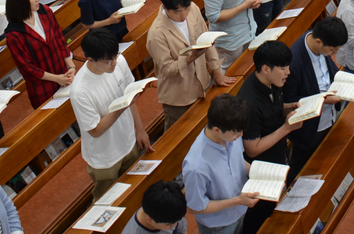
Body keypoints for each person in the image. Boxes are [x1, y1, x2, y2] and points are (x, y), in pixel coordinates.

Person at [70, 29, 154, 199]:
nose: (114, 63)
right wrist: (121, 107)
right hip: (105, 158)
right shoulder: (80, 91)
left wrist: (140, 130)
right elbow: (95, 130)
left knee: (133, 189)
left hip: (128, 141)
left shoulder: (118, 60)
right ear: (91, 60)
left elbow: (130, 95)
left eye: (116, 56)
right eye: (108, 61)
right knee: (107, 199)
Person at [237, 41, 302, 234]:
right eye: (283, 68)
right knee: (259, 218)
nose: (288, 72)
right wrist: (286, 129)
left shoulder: (273, 82)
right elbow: (252, 149)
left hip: (278, 156)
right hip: (262, 170)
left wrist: (291, 107)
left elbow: (273, 110)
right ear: (265, 69)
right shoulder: (249, 103)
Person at [147, 0, 231, 130]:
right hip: (179, 96)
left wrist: (216, 70)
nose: (184, 15)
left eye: (186, 9)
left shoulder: (193, 9)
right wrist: (191, 57)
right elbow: (167, 69)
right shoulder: (156, 33)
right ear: (165, 8)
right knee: (180, 136)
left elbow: (206, 39)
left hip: (202, 83)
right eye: (178, 12)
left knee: (206, 127)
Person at [182, 94, 259, 234]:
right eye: (236, 132)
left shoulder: (231, 134)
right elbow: (195, 207)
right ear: (216, 130)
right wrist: (237, 201)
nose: (241, 135)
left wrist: (257, 171)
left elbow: (237, 160)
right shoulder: (196, 166)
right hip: (218, 226)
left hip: (240, 211)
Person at [284, 17, 348, 177]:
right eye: (333, 50)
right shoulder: (294, 62)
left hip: (329, 116)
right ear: (318, 42)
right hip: (309, 127)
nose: (334, 54)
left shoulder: (321, 42)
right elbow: (291, 101)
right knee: (302, 168)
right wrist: (323, 100)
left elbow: (330, 69)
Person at [4, 0, 75, 108]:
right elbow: (28, 68)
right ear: (20, 2)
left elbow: (59, 39)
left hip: (63, 74)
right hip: (43, 87)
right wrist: (57, 78)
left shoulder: (45, 11)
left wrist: (71, 66)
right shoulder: (14, 35)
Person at [123, 181, 188, 234]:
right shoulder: (133, 231)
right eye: (168, 224)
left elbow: (183, 231)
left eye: (177, 220)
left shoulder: (173, 209)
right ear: (149, 220)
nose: (175, 224)